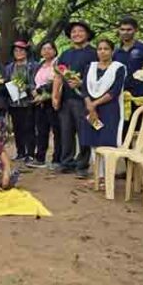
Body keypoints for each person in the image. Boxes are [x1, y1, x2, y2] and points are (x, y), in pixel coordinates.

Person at [53, 21, 98, 176]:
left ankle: (82, 165)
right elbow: (58, 76)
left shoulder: (94, 52)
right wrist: (55, 97)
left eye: (80, 31)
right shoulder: (65, 54)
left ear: (87, 34)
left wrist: (82, 83)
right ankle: (66, 162)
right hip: (66, 99)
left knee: (84, 131)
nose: (76, 34)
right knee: (66, 131)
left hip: (84, 99)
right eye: (73, 32)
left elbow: (99, 76)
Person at [80, 39, 127, 179]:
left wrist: (94, 104)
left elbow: (114, 91)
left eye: (106, 49)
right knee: (93, 138)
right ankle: (98, 175)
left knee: (106, 139)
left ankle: (108, 175)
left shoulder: (118, 68)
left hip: (109, 110)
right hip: (91, 111)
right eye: (99, 49)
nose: (102, 51)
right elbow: (84, 88)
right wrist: (90, 105)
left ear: (112, 51)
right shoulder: (90, 67)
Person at [113, 16, 143, 136]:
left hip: (141, 97)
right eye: (122, 29)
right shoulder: (115, 52)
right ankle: (124, 155)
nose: (125, 32)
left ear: (136, 30)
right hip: (121, 96)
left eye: (129, 29)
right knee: (123, 131)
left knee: (142, 132)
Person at [4, 40, 39, 165]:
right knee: (17, 128)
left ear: (26, 52)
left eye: (21, 50)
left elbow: (37, 82)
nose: (18, 53)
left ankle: (30, 153)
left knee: (29, 128)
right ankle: (20, 152)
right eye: (16, 51)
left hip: (29, 102)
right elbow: (5, 82)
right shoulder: (9, 67)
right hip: (13, 103)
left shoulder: (33, 65)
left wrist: (27, 87)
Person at [32, 41, 61, 168]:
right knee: (41, 130)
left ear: (55, 50)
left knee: (57, 131)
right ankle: (40, 158)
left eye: (49, 49)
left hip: (52, 100)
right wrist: (34, 92)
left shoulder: (58, 63)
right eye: (44, 49)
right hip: (39, 102)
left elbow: (58, 80)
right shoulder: (39, 65)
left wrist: (42, 91)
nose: (46, 51)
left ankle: (57, 159)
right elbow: (33, 81)